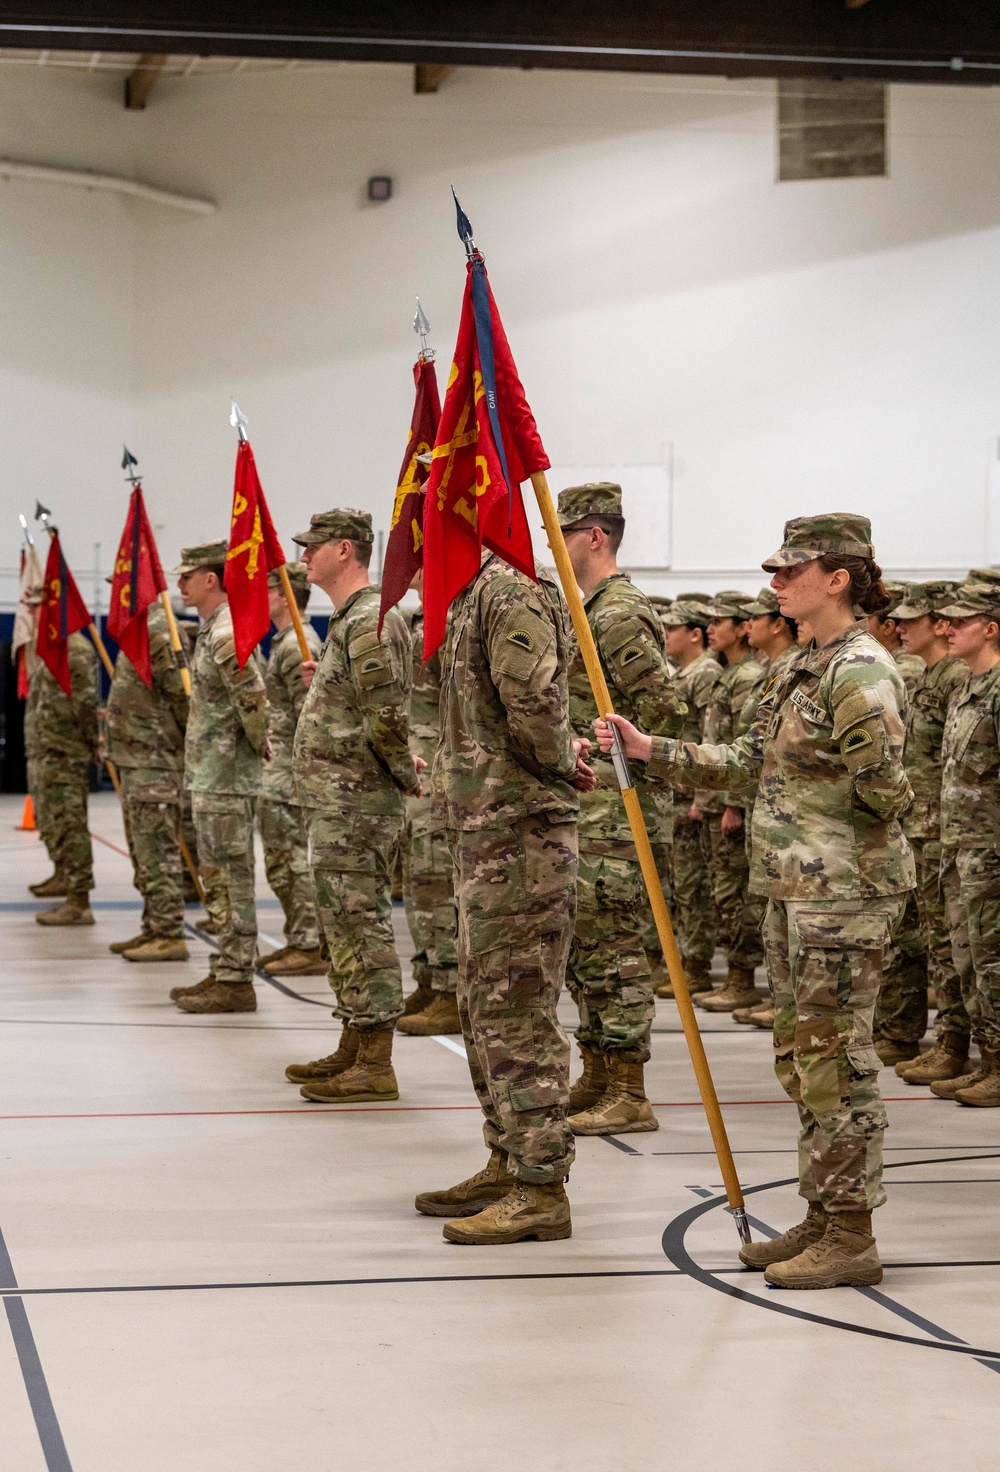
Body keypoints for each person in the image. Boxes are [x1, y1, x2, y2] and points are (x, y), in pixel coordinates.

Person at [597, 514, 914, 1290]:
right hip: (793, 891)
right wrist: (651, 750)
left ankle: (853, 1234)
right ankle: (823, 1212)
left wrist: (821, 832)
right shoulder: (799, 666)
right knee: (802, 1064)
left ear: (837, 579)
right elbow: (747, 764)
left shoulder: (861, 671)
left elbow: (887, 793)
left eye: (789, 572)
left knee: (836, 1065)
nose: (775, 584)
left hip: (842, 896)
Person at [414, 550, 594, 1245]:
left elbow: (535, 702)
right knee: (484, 1005)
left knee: (517, 1010)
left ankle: (541, 1185)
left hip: (521, 830)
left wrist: (557, 766)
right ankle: (508, 1155)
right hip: (485, 828)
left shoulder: (510, 588)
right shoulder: (467, 590)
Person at [556, 483, 684, 1135]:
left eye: (565, 532)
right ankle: (599, 1072)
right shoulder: (590, 608)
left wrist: (612, 741)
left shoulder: (618, 611)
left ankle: (629, 1090)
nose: (556, 545)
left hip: (620, 812)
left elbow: (662, 713)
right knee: (588, 950)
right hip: (592, 809)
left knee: (618, 951)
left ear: (595, 536)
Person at [286, 510, 419, 1103]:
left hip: (357, 802)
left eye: (312, 547)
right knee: (342, 925)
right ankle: (354, 1039)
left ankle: (376, 1060)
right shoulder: (349, 621)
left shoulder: (370, 619)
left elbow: (388, 714)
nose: (303, 556)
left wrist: (397, 775)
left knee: (360, 925)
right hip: (338, 801)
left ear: (345, 550)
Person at [168, 541, 269, 1014]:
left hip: (226, 777)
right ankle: (229, 968)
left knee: (230, 878)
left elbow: (253, 698)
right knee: (219, 877)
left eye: (187, 576)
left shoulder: (228, 633)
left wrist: (258, 742)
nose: (179, 584)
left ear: (211, 579)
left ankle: (236, 977)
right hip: (213, 776)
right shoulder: (213, 631)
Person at [875, 583, 966, 1069]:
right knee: (919, 936)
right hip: (919, 825)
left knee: (948, 943)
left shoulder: (956, 678)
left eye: (913, 620)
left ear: (941, 624)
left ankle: (954, 1045)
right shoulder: (928, 677)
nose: (901, 628)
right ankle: (912, 1034)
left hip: (945, 829)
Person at [927, 577, 1000, 1106]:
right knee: (967, 957)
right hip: (961, 848)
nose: (947, 628)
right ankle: (986, 1057)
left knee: (994, 960)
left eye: (961, 620)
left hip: (992, 851)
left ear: (991, 628)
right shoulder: (967, 687)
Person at [105, 595, 191, 961]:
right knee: (144, 851)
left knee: (157, 850)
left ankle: (169, 933)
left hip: (155, 760)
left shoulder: (159, 629)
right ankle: (154, 926)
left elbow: (181, 696)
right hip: (138, 759)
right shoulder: (140, 628)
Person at [396, 574, 462, 1037]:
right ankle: (427, 977)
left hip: (440, 778)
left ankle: (449, 988)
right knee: (418, 885)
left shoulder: (452, 616)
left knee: (439, 885)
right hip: (415, 781)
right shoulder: (418, 620)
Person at [694, 591, 765, 1014]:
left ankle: (742, 979)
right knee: (723, 891)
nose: (711, 628)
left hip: (732, 798)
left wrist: (734, 803)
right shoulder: (729, 672)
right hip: (714, 795)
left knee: (735, 893)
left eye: (722, 620)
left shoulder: (747, 676)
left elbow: (744, 746)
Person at [731, 587, 798, 1030]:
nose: (745, 625)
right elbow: (749, 751)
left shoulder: (858, 668)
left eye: (758, 617)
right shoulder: (788, 670)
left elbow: (883, 784)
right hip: (780, 837)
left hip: (824, 857)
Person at [257, 562, 325, 977]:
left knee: (292, 861)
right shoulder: (283, 642)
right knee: (281, 862)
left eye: (268, 589)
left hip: (290, 774)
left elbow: (308, 715)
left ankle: (308, 943)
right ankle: (297, 937)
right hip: (277, 768)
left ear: (285, 596)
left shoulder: (300, 646)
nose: (260, 597)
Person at [658, 599, 719, 997]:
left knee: (696, 885)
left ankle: (696, 966)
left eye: (672, 628)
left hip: (697, 790)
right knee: (683, 883)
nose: (664, 635)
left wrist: (704, 793)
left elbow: (714, 734)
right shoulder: (685, 672)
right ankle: (685, 962)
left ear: (694, 634)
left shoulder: (706, 673)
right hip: (682, 790)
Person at [32, 630, 99, 926]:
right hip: (52, 750)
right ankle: (67, 883)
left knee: (72, 826)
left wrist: (93, 741)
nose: (35, 611)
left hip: (68, 751)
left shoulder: (77, 650)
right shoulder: (54, 646)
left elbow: (84, 703)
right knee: (59, 822)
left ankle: (79, 901)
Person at [870, 583, 924, 696]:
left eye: (863, 619)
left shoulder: (905, 672)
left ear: (888, 627)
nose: (857, 624)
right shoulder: (886, 662)